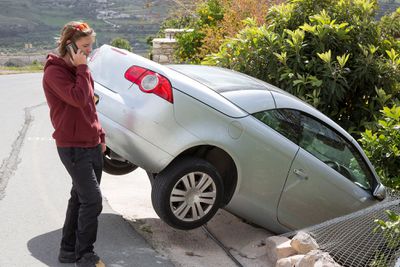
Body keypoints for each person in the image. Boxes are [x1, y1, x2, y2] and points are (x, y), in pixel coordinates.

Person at [42, 21, 106, 267]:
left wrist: (100, 135)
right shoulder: (54, 73)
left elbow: (91, 104)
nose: (89, 50)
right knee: (92, 200)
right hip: (72, 147)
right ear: (69, 46)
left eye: (91, 45)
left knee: (79, 198)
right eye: (84, 46)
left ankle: (68, 251)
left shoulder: (81, 69)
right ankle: (85, 255)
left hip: (91, 144)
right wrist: (82, 69)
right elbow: (78, 99)